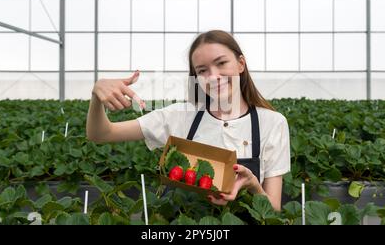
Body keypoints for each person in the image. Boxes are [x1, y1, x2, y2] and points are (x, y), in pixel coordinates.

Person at [86, 30, 290, 211]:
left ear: (240, 64)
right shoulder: (180, 116)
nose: (213, 76)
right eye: (202, 70)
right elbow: (101, 134)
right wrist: (97, 96)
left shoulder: (272, 123)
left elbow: (273, 210)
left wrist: (254, 185)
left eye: (221, 63)